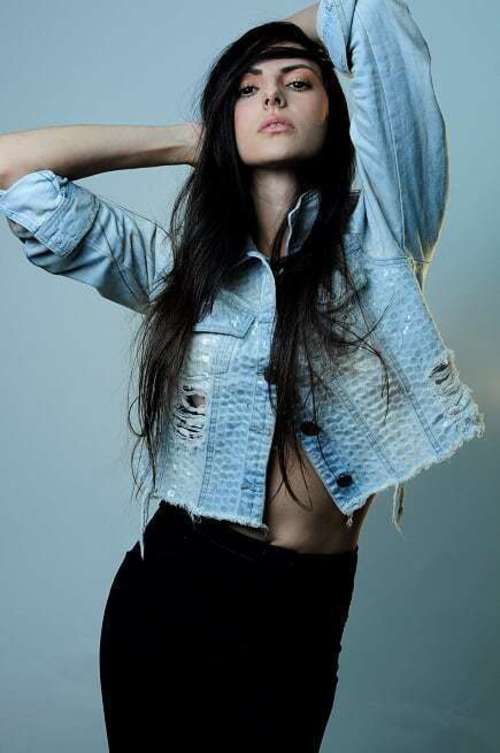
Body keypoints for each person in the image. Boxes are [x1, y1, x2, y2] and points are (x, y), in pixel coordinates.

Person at [0, 2, 485, 751]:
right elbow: (16, 171)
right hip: (174, 589)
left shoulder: (388, 233)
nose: (273, 98)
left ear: (335, 109)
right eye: (249, 91)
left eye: (298, 82)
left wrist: (264, 50)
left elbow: (368, 13)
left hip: (309, 604)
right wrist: (189, 139)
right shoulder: (180, 273)